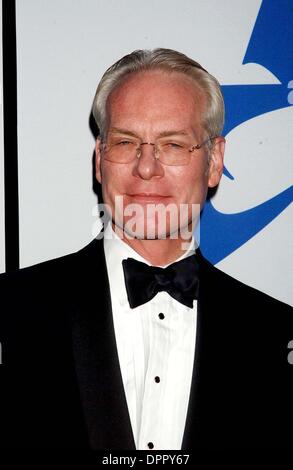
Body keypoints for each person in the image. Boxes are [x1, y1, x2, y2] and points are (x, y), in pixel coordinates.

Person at [0, 48, 292, 450]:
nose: (147, 167)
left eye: (172, 145)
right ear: (99, 159)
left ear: (214, 162)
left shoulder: (273, 333)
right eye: (125, 142)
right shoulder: (10, 311)